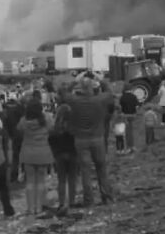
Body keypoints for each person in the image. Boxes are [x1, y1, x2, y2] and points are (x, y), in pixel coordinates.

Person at [65, 78, 114, 207]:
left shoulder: (75, 102)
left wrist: (74, 81)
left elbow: (64, 93)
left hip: (81, 139)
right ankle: (106, 196)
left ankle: (89, 200)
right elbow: (109, 92)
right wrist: (101, 79)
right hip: (97, 137)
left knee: (85, 170)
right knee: (101, 168)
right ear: (92, 89)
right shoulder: (99, 100)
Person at [18, 97, 54, 216]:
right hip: (43, 152)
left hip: (28, 153)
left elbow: (18, 129)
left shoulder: (23, 121)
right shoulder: (46, 119)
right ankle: (39, 207)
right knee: (41, 181)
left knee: (30, 181)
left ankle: (30, 208)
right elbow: (52, 129)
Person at [48, 103, 78, 214]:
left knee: (61, 180)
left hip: (59, 155)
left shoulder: (54, 128)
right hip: (73, 153)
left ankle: (61, 202)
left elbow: (50, 141)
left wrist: (55, 153)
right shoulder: (73, 127)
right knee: (72, 179)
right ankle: (72, 201)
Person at [119, 88, 140, 153]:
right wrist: (136, 113)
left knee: (127, 132)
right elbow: (137, 107)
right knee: (131, 131)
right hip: (132, 115)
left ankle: (128, 147)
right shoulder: (134, 96)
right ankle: (132, 146)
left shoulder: (122, 97)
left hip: (125, 116)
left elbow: (120, 107)